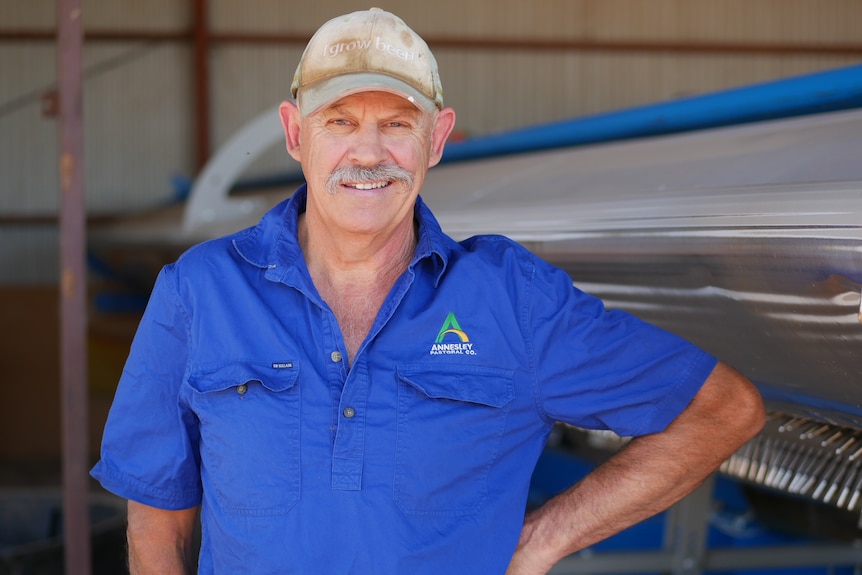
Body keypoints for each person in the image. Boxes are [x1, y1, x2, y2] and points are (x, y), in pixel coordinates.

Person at [91, 7, 765, 575]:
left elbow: (723, 408)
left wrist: (544, 539)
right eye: (339, 121)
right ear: (296, 133)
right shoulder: (201, 291)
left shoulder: (511, 300)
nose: (368, 152)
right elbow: (157, 511)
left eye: (397, 122)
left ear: (436, 138)